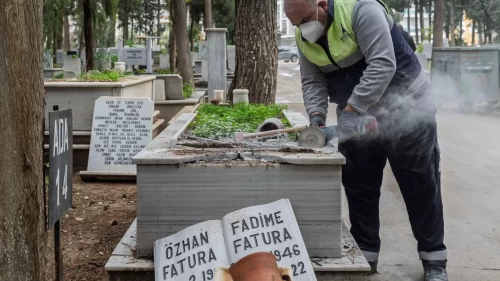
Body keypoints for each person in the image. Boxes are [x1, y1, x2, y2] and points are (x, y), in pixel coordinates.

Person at [284, 0, 447, 280]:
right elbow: (313, 81)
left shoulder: (363, 11)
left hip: (407, 105)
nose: (303, 28)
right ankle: (366, 256)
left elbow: (383, 64)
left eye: (307, 19)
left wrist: (352, 109)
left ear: (322, 4)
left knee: (419, 184)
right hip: (356, 113)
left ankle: (434, 261)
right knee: (359, 184)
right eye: (297, 24)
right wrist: (316, 118)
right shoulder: (303, 35)